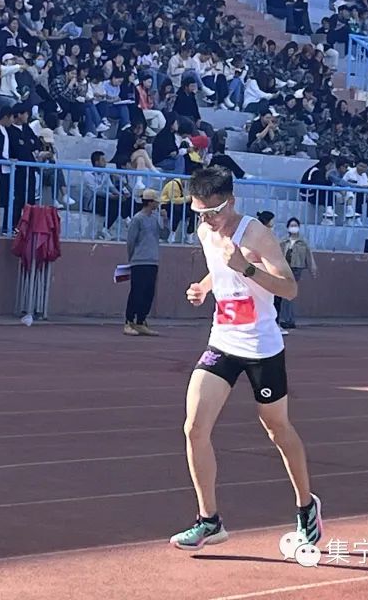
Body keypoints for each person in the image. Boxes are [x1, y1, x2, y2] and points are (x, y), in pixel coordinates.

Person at [170, 167, 321, 551]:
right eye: (199, 213)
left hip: (262, 348)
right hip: (222, 342)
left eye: (213, 212)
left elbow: (290, 288)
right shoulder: (205, 231)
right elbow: (219, 269)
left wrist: (247, 267)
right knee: (194, 428)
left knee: (277, 429)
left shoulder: (256, 235)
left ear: (231, 202)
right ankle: (209, 521)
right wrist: (204, 288)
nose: (207, 220)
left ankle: (306, 506)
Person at [124, 189, 168, 336]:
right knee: (137, 291)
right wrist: (132, 258)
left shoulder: (154, 219)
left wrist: (165, 220)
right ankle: (129, 321)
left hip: (152, 261)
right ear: (149, 202)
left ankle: (141, 321)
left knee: (148, 292)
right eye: (155, 202)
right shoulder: (137, 219)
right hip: (139, 261)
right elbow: (131, 241)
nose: (157, 205)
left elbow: (164, 235)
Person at [279, 217, 318, 332]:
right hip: (285, 268)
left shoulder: (303, 242)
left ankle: (288, 319)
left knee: (288, 294)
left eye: (295, 225)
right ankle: (288, 319)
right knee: (287, 294)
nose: (294, 228)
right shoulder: (283, 241)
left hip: (296, 268)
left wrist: (312, 268)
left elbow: (309, 256)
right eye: (291, 225)